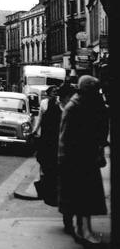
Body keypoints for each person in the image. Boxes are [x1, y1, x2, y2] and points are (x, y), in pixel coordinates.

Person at [58, 74, 109, 247]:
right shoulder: (75, 107)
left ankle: (83, 229)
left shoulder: (86, 105)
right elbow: (64, 137)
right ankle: (83, 230)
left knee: (83, 196)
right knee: (82, 196)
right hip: (77, 160)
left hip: (84, 158)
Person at [33, 83, 75, 230]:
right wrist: (41, 153)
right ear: (64, 97)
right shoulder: (49, 106)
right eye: (71, 96)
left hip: (70, 155)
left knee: (69, 187)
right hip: (52, 153)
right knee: (56, 185)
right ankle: (66, 216)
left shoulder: (74, 109)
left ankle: (68, 217)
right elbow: (45, 131)